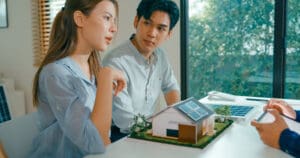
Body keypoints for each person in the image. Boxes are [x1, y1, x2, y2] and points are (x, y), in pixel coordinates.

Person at [29, 0, 126, 157]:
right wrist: (106, 78)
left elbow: (104, 134)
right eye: (107, 18)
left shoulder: (93, 69)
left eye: (114, 21)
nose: (114, 29)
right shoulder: (55, 74)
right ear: (80, 19)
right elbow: (94, 142)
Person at [102, 0, 180, 142]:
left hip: (147, 132)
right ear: (136, 21)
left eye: (161, 28)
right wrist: (164, 127)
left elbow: (171, 87)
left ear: (169, 34)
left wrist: (177, 119)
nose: (152, 33)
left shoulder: (160, 56)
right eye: (147, 23)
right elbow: (126, 120)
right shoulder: (115, 62)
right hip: (121, 137)